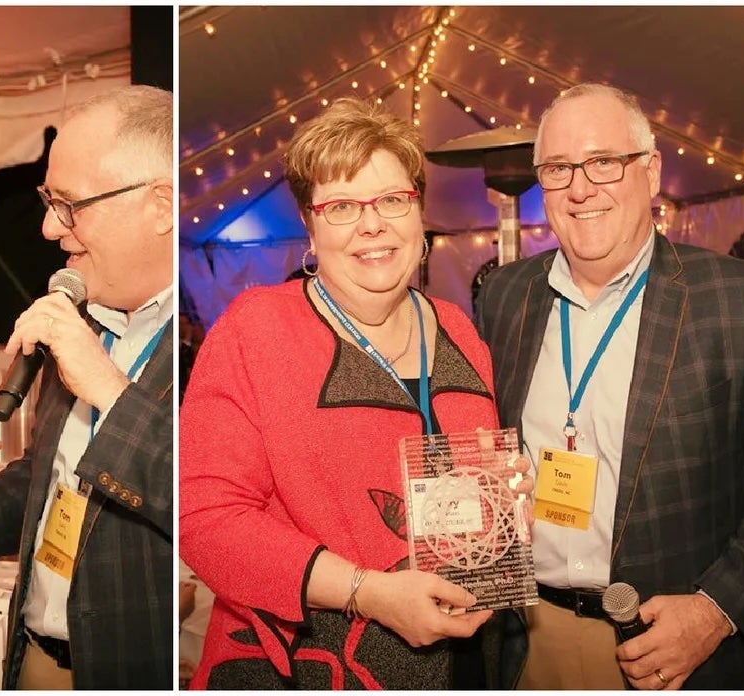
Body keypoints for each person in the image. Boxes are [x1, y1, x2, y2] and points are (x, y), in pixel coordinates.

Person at [179, 97, 532, 689]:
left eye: (392, 199)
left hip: (470, 658)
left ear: (418, 210)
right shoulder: (257, 329)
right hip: (312, 666)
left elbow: (467, 487)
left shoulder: (460, 330)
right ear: (310, 224)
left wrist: (508, 494)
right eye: (342, 206)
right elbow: (206, 519)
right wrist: (366, 592)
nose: (372, 225)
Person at [476, 82, 744, 690]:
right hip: (527, 641)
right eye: (559, 168)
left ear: (650, 171)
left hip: (672, 652)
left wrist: (718, 609)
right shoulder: (505, 296)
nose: (580, 188)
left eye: (603, 162)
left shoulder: (742, 301)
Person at [0, 85, 175, 689]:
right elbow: (47, 473)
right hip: (36, 658)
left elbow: (199, 495)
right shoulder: (83, 320)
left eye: (69, 205)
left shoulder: (213, 342)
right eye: (48, 201)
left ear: (162, 206)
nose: (49, 228)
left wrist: (108, 388)